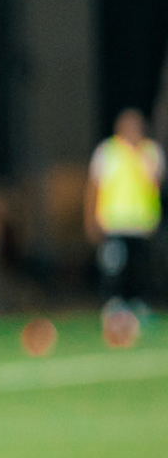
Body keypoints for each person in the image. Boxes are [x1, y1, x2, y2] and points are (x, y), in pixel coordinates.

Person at [85, 107, 163, 312]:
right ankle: (114, 305)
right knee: (114, 267)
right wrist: (91, 219)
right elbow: (94, 188)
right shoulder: (107, 151)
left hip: (140, 223)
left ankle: (138, 303)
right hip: (114, 222)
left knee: (139, 268)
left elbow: (156, 185)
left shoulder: (150, 152)